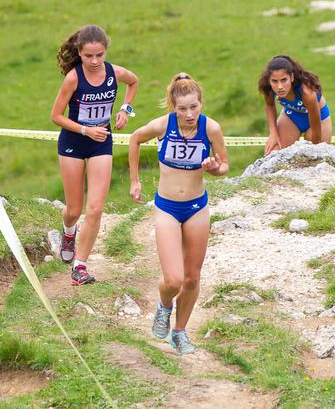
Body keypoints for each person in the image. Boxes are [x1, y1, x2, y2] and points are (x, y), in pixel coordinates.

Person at [128, 73, 229, 355]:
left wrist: (213, 168)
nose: (189, 114)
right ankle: (164, 306)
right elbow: (134, 139)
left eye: (194, 107)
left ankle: (180, 331)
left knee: (192, 278)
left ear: (201, 104)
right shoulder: (163, 125)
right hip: (167, 207)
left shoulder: (211, 129)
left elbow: (224, 167)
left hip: (197, 207)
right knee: (173, 280)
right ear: (173, 107)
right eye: (182, 109)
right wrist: (135, 181)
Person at [50, 25, 139, 285]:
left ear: (105, 51)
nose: (94, 61)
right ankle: (68, 232)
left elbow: (133, 82)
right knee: (74, 209)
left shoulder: (114, 73)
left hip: (101, 143)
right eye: (88, 56)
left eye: (99, 55)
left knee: (96, 208)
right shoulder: (73, 79)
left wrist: (125, 110)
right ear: (79, 53)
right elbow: (55, 116)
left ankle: (80, 265)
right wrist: (85, 130)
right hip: (73, 143)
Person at [259, 55, 332, 154]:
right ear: (269, 80)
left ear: (292, 77)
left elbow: (315, 128)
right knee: (273, 153)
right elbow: (270, 105)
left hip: (318, 120)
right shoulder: (268, 87)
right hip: (291, 116)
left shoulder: (307, 93)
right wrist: (273, 133)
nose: (279, 87)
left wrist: (315, 152)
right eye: (274, 81)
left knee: (314, 155)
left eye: (284, 80)